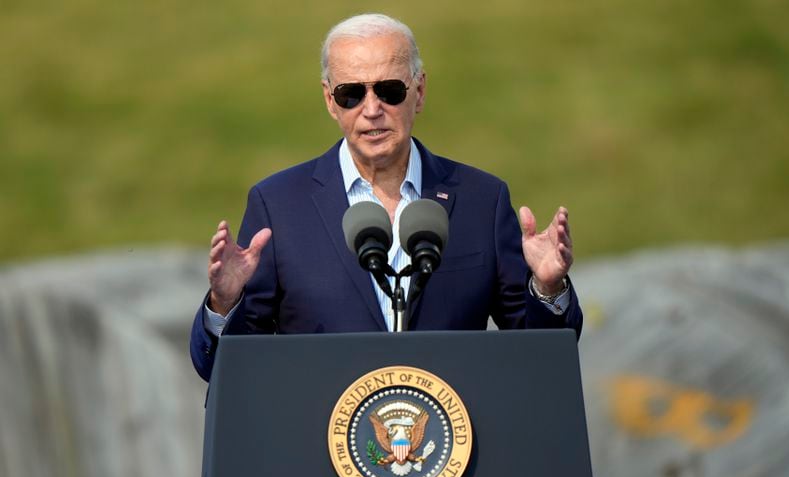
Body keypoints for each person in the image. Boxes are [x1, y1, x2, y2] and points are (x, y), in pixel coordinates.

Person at [189, 13, 582, 382]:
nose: (372, 109)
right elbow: (228, 369)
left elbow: (539, 356)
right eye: (351, 94)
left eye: (390, 90)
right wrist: (224, 304)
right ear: (330, 100)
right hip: (320, 445)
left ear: (420, 91)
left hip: (454, 442)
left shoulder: (483, 199)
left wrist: (548, 289)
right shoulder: (277, 205)